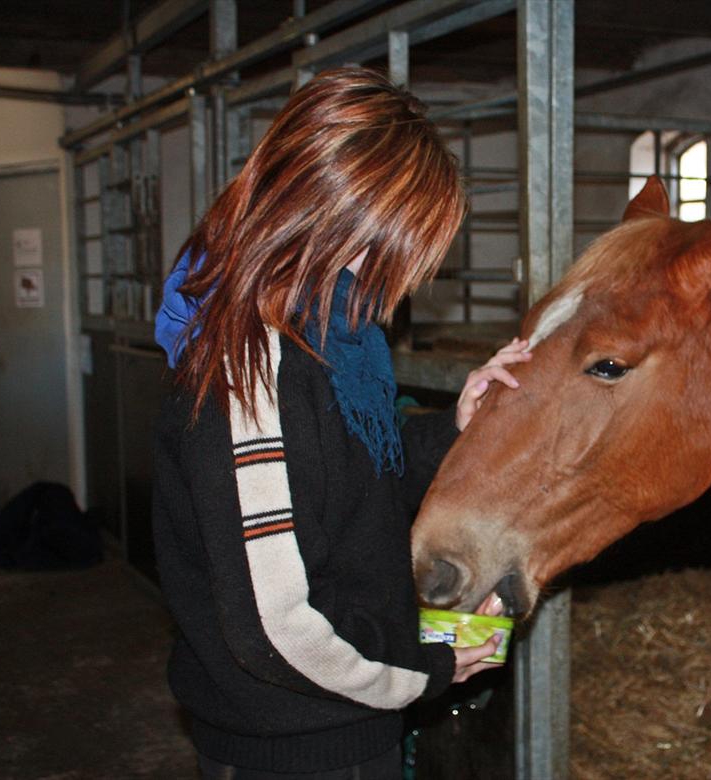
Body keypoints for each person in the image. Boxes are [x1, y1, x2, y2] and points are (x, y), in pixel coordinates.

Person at [151, 66, 531, 780]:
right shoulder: (252, 371)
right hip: (296, 750)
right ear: (349, 220)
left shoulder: (333, 340)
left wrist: (457, 423)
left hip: (341, 721)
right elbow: (276, 629)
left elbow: (353, 481)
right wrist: (425, 670)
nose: (407, 276)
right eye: (403, 244)